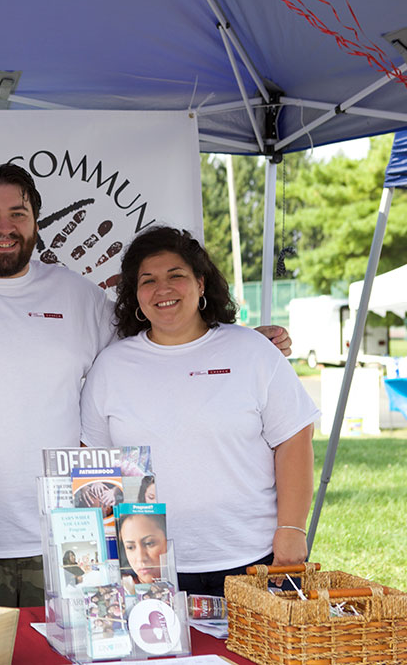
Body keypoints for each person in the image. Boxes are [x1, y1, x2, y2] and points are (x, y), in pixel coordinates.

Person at [0, 164, 292, 607]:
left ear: (36, 223)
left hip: (69, 539)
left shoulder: (77, 296)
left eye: (18, 214)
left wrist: (236, 342)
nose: (6, 227)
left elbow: (160, 348)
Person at [80, 226, 318, 597]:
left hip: (254, 559)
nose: (163, 289)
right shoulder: (110, 367)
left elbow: (294, 439)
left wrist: (291, 529)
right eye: (148, 280)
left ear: (201, 284)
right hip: (149, 571)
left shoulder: (252, 351)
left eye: (176, 275)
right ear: (134, 294)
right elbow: (94, 465)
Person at [117, 512, 168, 585]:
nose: (140, 558)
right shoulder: (124, 589)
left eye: (149, 543)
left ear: (167, 542)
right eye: (130, 547)